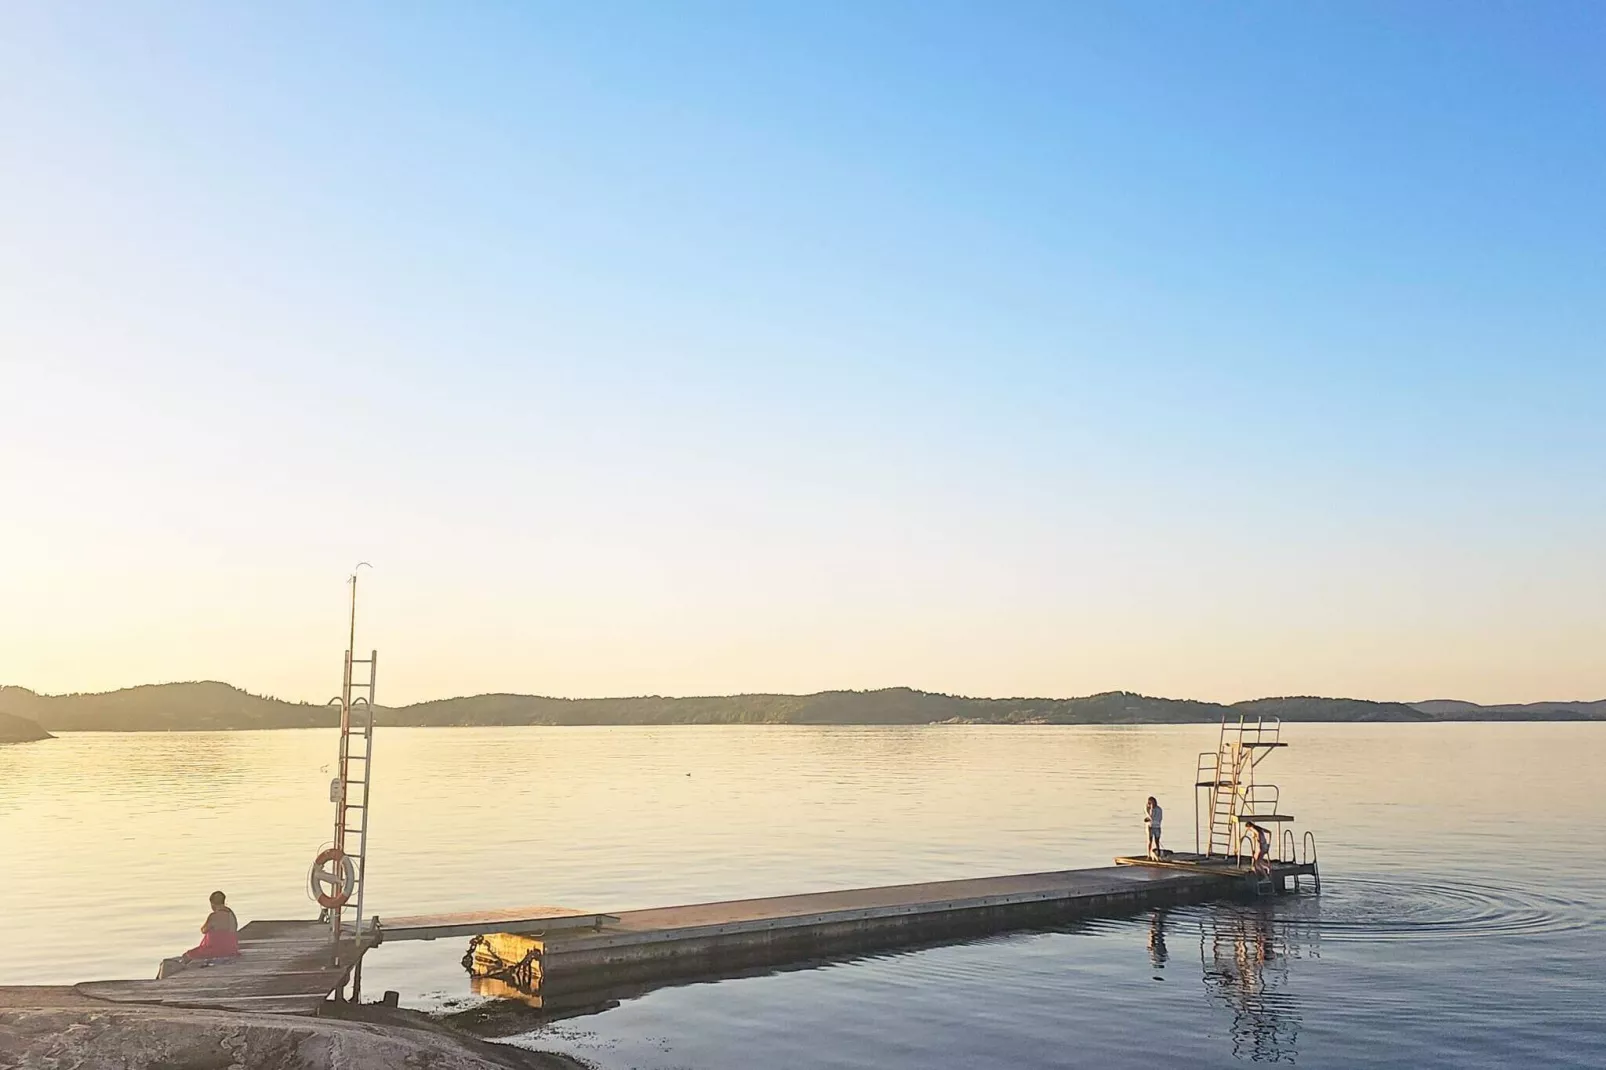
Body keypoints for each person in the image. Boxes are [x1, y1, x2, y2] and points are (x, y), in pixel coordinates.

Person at [157, 891, 240, 978]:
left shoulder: (214, 915)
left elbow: (204, 930)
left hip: (215, 949)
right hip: (232, 948)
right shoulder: (231, 914)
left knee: (186, 955)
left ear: (212, 903)